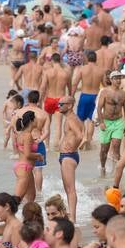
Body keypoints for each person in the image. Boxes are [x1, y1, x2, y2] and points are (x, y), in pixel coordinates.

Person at [56, 96, 85, 224]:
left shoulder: (71, 119)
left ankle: (73, 218)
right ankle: (71, 216)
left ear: (70, 105)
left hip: (69, 156)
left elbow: (80, 135)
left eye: (62, 104)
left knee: (70, 189)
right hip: (67, 156)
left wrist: (73, 148)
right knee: (68, 189)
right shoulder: (71, 118)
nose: (59, 106)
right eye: (59, 104)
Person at [96, 70, 125, 175]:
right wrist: (101, 122)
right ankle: (103, 168)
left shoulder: (124, 93)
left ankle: (117, 172)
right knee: (104, 150)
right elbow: (99, 108)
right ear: (111, 80)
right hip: (106, 122)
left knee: (116, 146)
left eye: (120, 78)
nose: (118, 80)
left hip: (118, 122)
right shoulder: (105, 92)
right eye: (116, 78)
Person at [73, 50, 105, 149]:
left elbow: (74, 83)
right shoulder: (101, 70)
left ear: (87, 58)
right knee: (91, 120)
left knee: (81, 120)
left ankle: (82, 137)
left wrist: (72, 96)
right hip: (95, 97)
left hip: (84, 95)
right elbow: (104, 85)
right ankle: (88, 141)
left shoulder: (82, 69)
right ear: (96, 59)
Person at [41, 52, 72, 148]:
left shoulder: (47, 72)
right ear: (60, 61)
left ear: (52, 61)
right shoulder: (66, 73)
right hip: (61, 100)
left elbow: (42, 87)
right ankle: (57, 146)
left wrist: (40, 100)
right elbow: (70, 89)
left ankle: (47, 147)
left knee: (47, 124)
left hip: (49, 99)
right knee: (58, 125)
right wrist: (70, 100)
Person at [12, 110, 42, 204]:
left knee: (31, 198)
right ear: (31, 121)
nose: (37, 120)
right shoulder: (28, 135)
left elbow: (21, 149)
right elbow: (28, 154)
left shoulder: (21, 134)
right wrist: (38, 155)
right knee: (16, 200)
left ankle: (27, 217)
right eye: (36, 119)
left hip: (24, 167)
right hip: (24, 168)